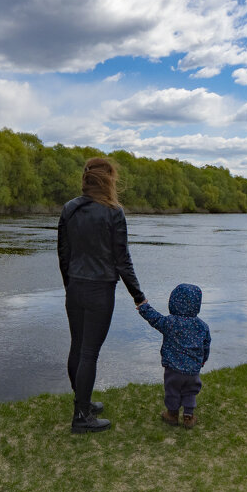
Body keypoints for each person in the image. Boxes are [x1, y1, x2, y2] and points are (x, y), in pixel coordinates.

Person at [57, 157, 145, 433]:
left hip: (75, 287)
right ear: (108, 180)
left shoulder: (69, 209)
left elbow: (63, 254)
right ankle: (82, 416)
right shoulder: (113, 212)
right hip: (99, 290)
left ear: (86, 179)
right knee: (89, 353)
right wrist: (138, 295)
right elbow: (122, 260)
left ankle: (82, 403)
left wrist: (69, 284)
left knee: (78, 346)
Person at [136, 283, 211, 429]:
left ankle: (172, 414)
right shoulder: (202, 326)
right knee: (190, 391)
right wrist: (202, 361)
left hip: (173, 369)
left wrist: (143, 306)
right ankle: (188, 416)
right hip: (193, 371)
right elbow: (206, 346)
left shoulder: (170, 322)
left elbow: (155, 319)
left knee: (172, 391)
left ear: (173, 302)